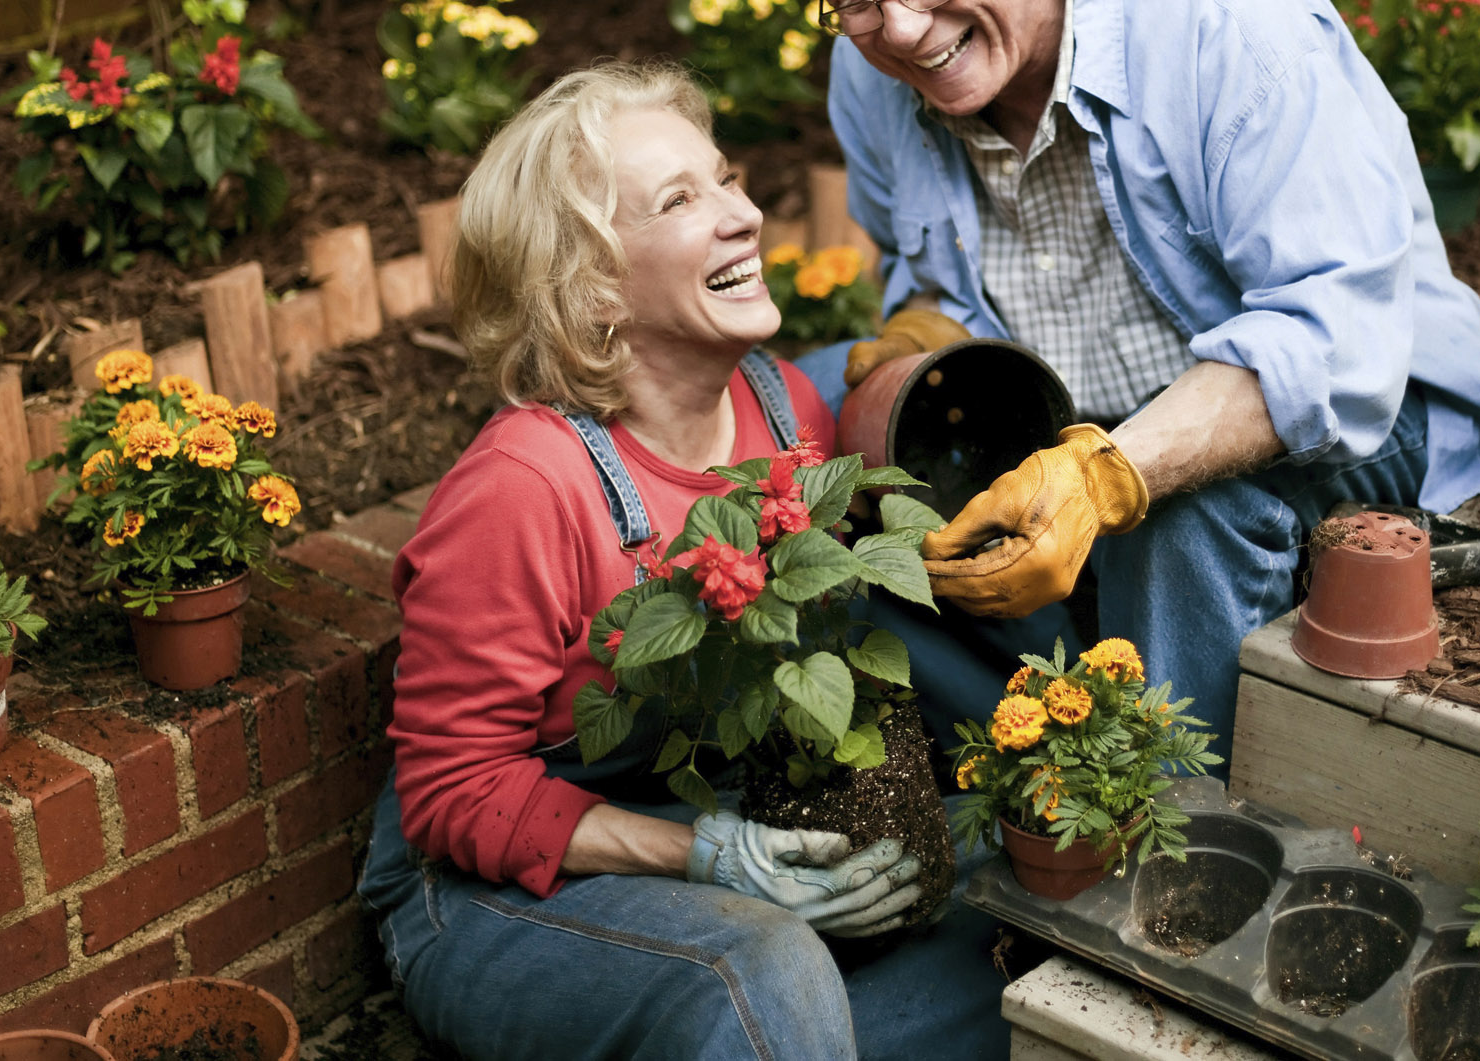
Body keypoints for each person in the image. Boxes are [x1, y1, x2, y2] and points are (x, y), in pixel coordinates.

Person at [760, 0, 1480, 762]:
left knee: (1176, 524)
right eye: (854, 0)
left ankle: (1165, 832)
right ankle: (1016, 764)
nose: (901, 30)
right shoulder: (867, 69)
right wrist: (921, 332)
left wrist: (1109, 473)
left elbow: (1335, 342)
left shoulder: (1221, 19)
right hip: (1072, 415)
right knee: (822, 418)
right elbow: (925, 282)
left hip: (1368, 412)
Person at [356, 61, 1010, 1061]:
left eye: (726, 179)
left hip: (703, 810)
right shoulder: (525, 486)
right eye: (679, 200)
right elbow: (454, 793)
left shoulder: (785, 404)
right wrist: (704, 855)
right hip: (494, 889)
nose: (743, 213)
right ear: (590, 286)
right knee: (759, 967)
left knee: (1012, 856)